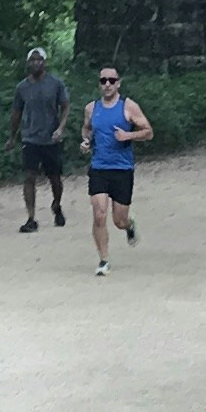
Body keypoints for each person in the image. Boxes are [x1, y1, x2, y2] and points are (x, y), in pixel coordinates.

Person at [83, 63, 150, 274]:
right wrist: (85, 142)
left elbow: (148, 132)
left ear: (118, 83)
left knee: (118, 219)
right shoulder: (91, 108)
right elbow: (87, 130)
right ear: (99, 84)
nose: (108, 84)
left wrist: (128, 135)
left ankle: (129, 226)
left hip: (122, 169)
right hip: (99, 167)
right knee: (99, 215)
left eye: (112, 80)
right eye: (103, 81)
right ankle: (104, 260)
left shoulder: (128, 107)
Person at [7, 47, 73, 233]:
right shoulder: (22, 88)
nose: (36, 63)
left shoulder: (56, 84)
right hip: (30, 138)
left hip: (51, 138)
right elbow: (16, 113)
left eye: (39, 59)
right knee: (29, 177)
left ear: (45, 62)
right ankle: (31, 218)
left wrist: (61, 128)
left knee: (55, 178)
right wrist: (12, 137)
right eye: (33, 60)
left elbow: (65, 106)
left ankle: (57, 204)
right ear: (28, 63)